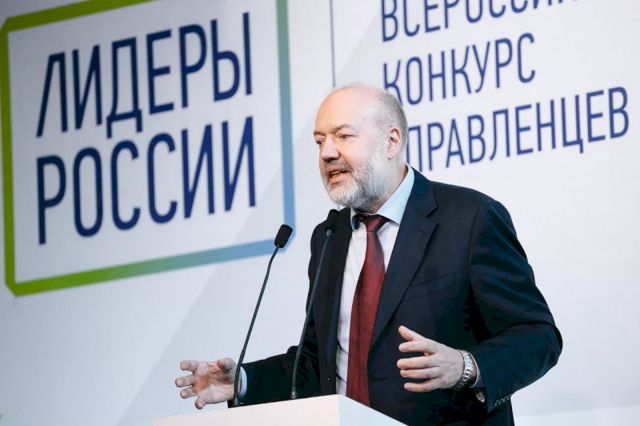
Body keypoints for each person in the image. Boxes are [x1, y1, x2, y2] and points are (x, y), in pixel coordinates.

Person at [175, 84, 562, 425]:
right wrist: (244, 381)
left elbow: (538, 336)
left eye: (343, 136)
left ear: (391, 142)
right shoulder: (329, 237)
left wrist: (466, 366)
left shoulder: (469, 219)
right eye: (319, 141)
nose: (327, 153)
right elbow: (320, 363)